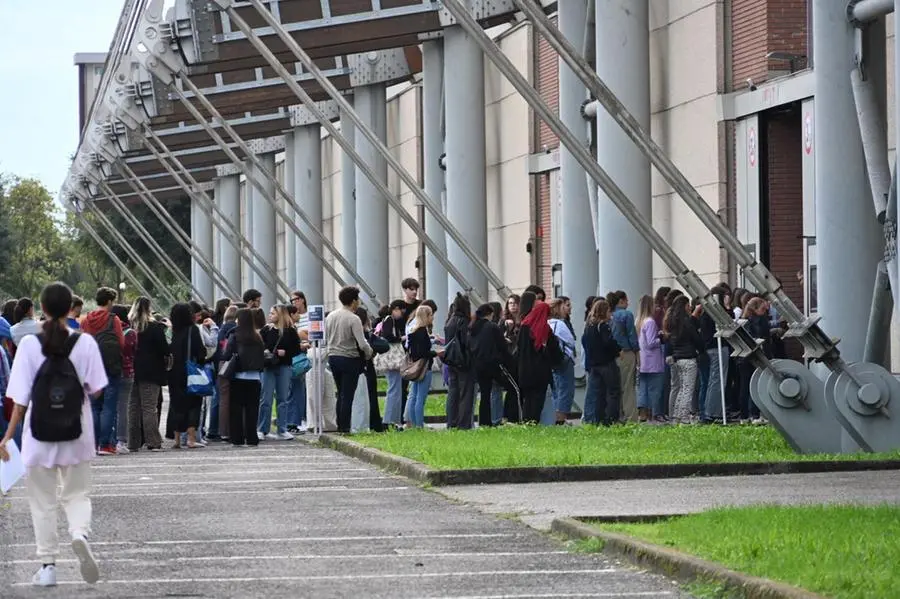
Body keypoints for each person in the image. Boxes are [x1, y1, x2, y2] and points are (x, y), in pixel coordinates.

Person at [0, 282, 105, 587]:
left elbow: (19, 399)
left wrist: (7, 436)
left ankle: (48, 566)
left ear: (42, 309)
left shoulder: (30, 346)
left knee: (42, 501)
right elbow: (97, 389)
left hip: (38, 433)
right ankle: (79, 533)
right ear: (70, 309)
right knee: (77, 494)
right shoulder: (85, 344)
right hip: (78, 432)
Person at [80, 287, 125, 456]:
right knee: (109, 406)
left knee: (94, 406)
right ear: (109, 301)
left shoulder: (85, 320)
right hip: (110, 367)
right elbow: (121, 343)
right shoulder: (113, 319)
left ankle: (94, 443)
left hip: (91, 367)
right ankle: (106, 445)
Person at [325, 286, 372, 433]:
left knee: (341, 393)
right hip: (349, 358)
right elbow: (362, 342)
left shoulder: (331, 316)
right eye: (357, 299)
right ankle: (344, 427)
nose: (358, 302)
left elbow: (326, 338)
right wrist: (369, 352)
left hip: (333, 357)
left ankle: (340, 424)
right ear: (353, 301)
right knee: (348, 394)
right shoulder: (354, 318)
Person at [220, 308, 265, 447]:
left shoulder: (235, 335)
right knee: (252, 409)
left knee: (236, 409)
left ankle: (237, 438)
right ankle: (252, 438)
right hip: (255, 377)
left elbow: (227, 354)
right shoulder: (258, 337)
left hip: (238, 376)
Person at [128, 297, 168, 451]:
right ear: (149, 308)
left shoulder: (129, 326)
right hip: (152, 371)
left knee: (133, 407)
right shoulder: (155, 327)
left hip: (132, 370)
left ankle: (133, 442)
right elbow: (165, 349)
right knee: (149, 408)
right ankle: (153, 441)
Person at [166, 303, 207, 448]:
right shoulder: (193, 330)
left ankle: (177, 440)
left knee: (176, 404)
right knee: (193, 404)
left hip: (173, 372)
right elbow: (201, 352)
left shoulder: (172, 331)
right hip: (190, 372)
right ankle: (191, 439)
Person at [516, 301, 563, 423]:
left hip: (525, 371)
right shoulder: (545, 329)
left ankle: (526, 423)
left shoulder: (523, 327)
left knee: (527, 400)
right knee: (537, 402)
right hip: (540, 372)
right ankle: (534, 422)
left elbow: (519, 349)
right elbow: (555, 352)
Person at [259, 305, 300, 440]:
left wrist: (286, 352)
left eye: (273, 313)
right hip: (268, 366)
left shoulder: (290, 331)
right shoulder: (266, 330)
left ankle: (282, 429)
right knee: (266, 398)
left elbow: (297, 350)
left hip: (285, 366)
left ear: (280, 315)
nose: (270, 316)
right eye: (270, 313)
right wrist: (266, 352)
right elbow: (260, 346)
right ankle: (262, 429)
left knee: (283, 398)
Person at [582, 298, 621, 425]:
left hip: (594, 365)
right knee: (613, 391)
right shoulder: (603, 326)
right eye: (609, 311)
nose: (611, 314)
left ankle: (598, 419)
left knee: (599, 393)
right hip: (606, 363)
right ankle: (611, 419)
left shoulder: (589, 326)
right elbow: (608, 343)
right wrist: (617, 350)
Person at [444, 294, 476, 429]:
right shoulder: (463, 321)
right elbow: (466, 342)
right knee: (466, 393)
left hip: (451, 360)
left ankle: (451, 422)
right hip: (464, 361)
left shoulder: (449, 321)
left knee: (453, 392)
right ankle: (464, 424)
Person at [406, 305, 440, 428]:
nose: (432, 317)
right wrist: (436, 353)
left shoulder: (413, 331)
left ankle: (414, 424)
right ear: (426, 316)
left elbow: (414, 350)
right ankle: (419, 425)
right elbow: (424, 352)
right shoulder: (423, 332)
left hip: (415, 368)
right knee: (421, 397)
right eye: (431, 315)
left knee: (414, 396)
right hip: (424, 367)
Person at [109, 305, 136, 454]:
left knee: (109, 407)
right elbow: (133, 352)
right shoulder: (130, 333)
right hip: (126, 372)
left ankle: (108, 440)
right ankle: (121, 440)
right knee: (123, 408)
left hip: (109, 372)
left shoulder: (107, 330)